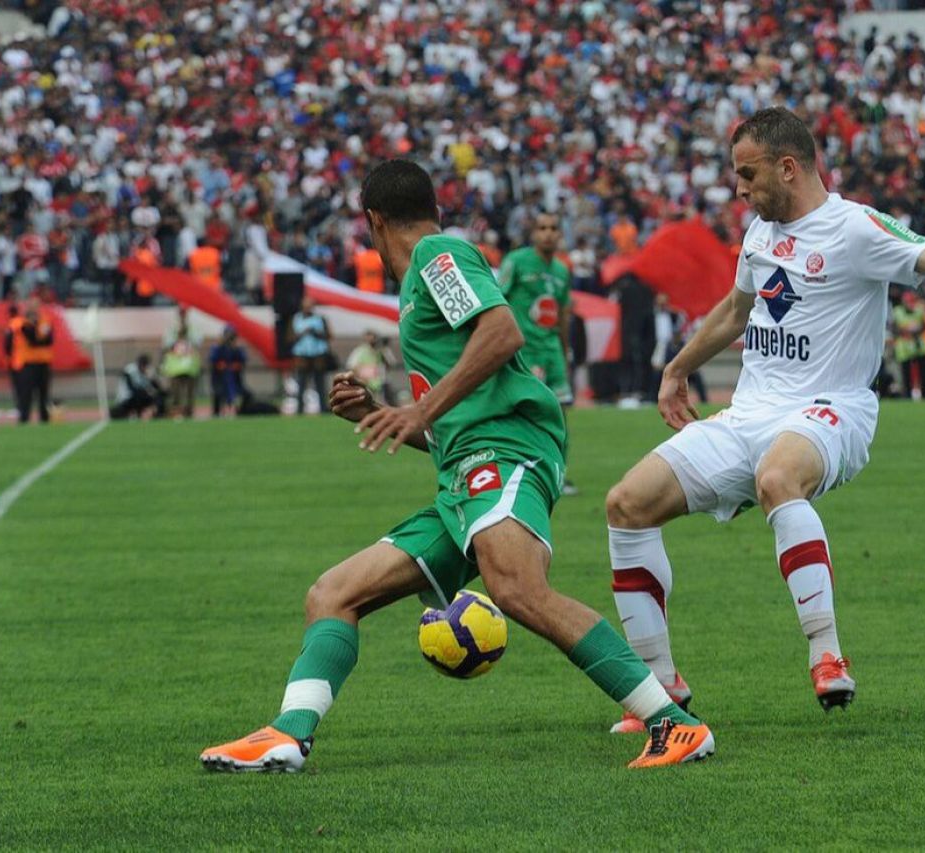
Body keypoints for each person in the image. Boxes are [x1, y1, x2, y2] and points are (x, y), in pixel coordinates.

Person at [200, 159, 713, 774]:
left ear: (373, 221)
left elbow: (501, 332)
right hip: (464, 472)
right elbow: (454, 425)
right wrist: (384, 412)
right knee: (333, 594)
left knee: (518, 589)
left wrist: (417, 409)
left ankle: (673, 725)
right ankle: (288, 733)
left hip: (506, 453)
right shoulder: (423, 278)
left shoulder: (436, 257)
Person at [601, 107, 925, 735]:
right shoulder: (759, 233)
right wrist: (676, 368)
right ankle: (660, 689)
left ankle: (826, 651)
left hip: (831, 408)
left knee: (779, 477)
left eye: (748, 175)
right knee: (626, 503)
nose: (740, 189)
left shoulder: (855, 228)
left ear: (788, 167)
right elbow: (735, 310)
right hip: (751, 411)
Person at [498, 211, 579, 496]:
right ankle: (524, 471)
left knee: (560, 414)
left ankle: (559, 474)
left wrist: (566, 352)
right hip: (524, 352)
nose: (547, 233)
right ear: (533, 233)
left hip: (552, 352)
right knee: (527, 414)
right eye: (542, 227)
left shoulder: (561, 270)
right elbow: (497, 300)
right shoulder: (516, 262)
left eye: (553, 228)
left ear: (560, 234)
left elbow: (563, 314)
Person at [4, 298, 54, 424]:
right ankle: (24, 418)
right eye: (30, 306)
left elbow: (48, 340)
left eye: (36, 306)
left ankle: (44, 418)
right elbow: (31, 339)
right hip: (25, 363)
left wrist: (37, 330)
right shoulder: (18, 323)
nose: (33, 309)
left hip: (42, 362)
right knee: (24, 394)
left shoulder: (45, 321)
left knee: (43, 394)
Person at [291, 297, 333, 413]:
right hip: (302, 354)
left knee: (320, 383)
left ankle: (323, 409)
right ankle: (300, 409)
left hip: (318, 354)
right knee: (301, 384)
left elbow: (329, 335)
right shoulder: (296, 319)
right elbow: (291, 337)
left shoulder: (320, 319)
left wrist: (315, 333)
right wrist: (303, 333)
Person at [162, 307, 201, 418]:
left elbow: (198, 342)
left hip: (190, 367)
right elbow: (166, 345)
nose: (182, 316)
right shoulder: (171, 330)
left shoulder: (193, 329)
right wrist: (177, 335)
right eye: (181, 314)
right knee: (175, 392)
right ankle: (176, 412)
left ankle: (189, 412)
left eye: (184, 314)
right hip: (175, 367)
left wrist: (187, 333)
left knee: (190, 392)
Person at [892, 289, 925, 400]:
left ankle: (924, 395)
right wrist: (906, 330)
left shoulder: (919, 310)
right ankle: (907, 396)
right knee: (906, 374)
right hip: (904, 347)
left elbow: (924, 327)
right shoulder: (897, 311)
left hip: (918, 345)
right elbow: (894, 329)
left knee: (923, 372)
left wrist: (916, 330)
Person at [110, 354, 167, 419]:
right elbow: (132, 389)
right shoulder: (129, 370)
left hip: (140, 396)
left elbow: (156, 387)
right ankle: (135, 413)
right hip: (127, 398)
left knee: (159, 397)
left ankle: (153, 412)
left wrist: (152, 379)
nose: (144, 368)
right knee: (118, 413)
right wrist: (147, 392)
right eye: (142, 365)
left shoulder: (148, 371)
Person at [346, 329, 395, 404]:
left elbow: (390, 364)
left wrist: (382, 352)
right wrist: (360, 378)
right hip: (365, 382)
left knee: (381, 404)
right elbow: (351, 366)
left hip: (381, 382)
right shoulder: (359, 351)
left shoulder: (382, 350)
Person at [209, 326, 247, 417]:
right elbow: (213, 359)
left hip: (234, 377)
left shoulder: (237, 348)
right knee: (218, 393)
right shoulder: (218, 347)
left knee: (243, 394)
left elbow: (242, 360)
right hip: (219, 378)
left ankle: (239, 411)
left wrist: (236, 349)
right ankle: (217, 413)